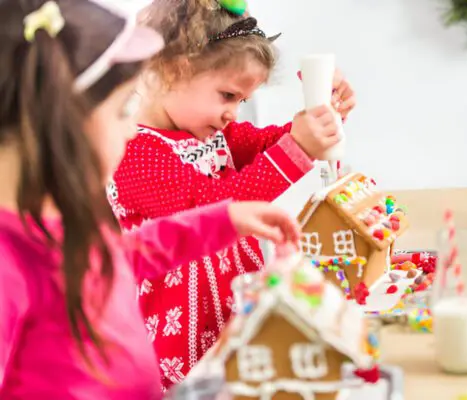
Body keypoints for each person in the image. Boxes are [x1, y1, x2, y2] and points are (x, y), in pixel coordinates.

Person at [0, 1, 300, 399]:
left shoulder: (62, 222)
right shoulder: (8, 266)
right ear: (60, 119)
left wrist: (224, 221)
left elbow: (121, 261)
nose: (131, 129)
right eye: (123, 110)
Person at [108, 0, 357, 389]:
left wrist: (321, 121)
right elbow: (212, 208)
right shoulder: (134, 154)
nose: (235, 115)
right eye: (227, 95)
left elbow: (270, 143)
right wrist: (300, 148)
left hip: (231, 314)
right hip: (177, 338)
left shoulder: (212, 134)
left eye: (242, 101)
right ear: (175, 68)